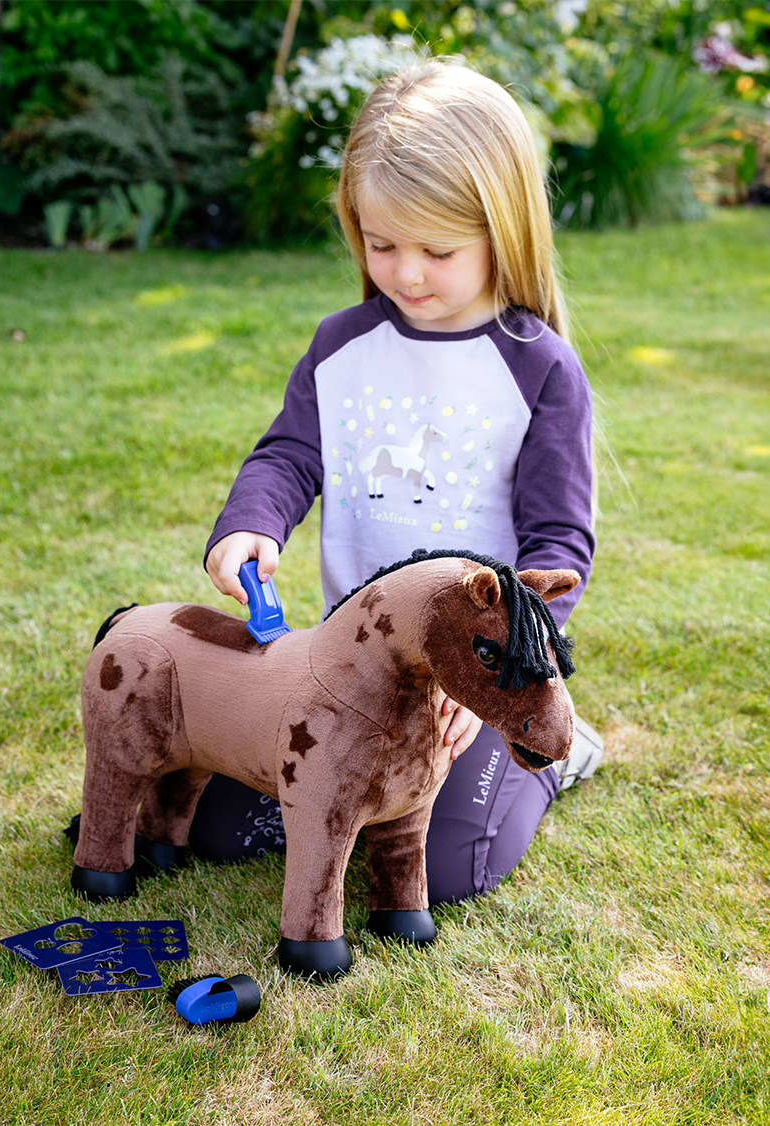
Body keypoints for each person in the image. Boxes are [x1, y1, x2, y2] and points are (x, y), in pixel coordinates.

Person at [194, 60, 602, 905]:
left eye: (438, 250)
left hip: (473, 685)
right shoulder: (342, 346)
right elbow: (288, 457)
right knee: (218, 829)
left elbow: (559, 546)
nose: (406, 273)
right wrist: (249, 527)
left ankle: (562, 756)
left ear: (504, 229)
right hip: (353, 669)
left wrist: (501, 683)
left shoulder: (538, 368)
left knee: (442, 872)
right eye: (382, 245)